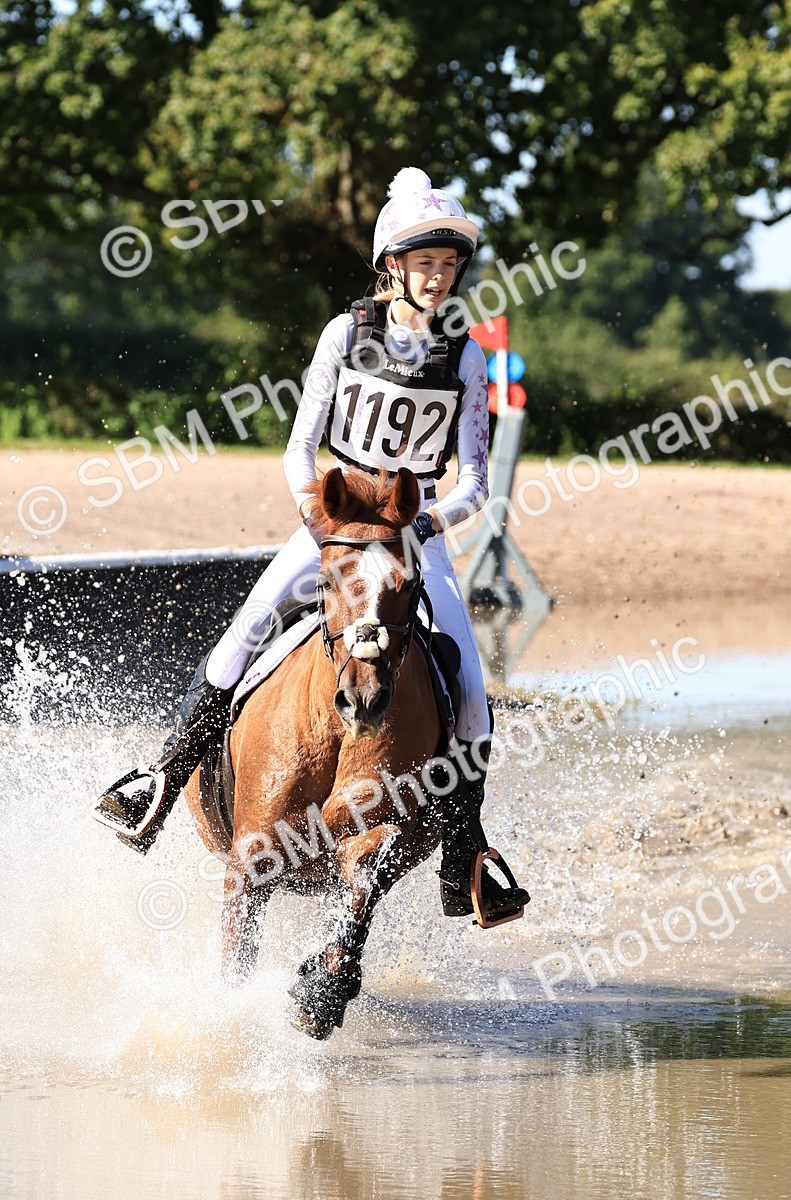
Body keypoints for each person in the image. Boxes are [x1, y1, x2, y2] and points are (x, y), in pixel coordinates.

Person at [94, 166, 529, 922]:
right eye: (425, 263)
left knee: (468, 690)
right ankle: (159, 783)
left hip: (411, 529)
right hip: (334, 522)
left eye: (449, 265)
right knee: (247, 630)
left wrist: (422, 524)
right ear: (392, 264)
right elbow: (300, 448)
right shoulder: (346, 333)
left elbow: (475, 484)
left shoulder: (463, 354)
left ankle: (467, 851)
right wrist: (313, 509)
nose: (439, 276)